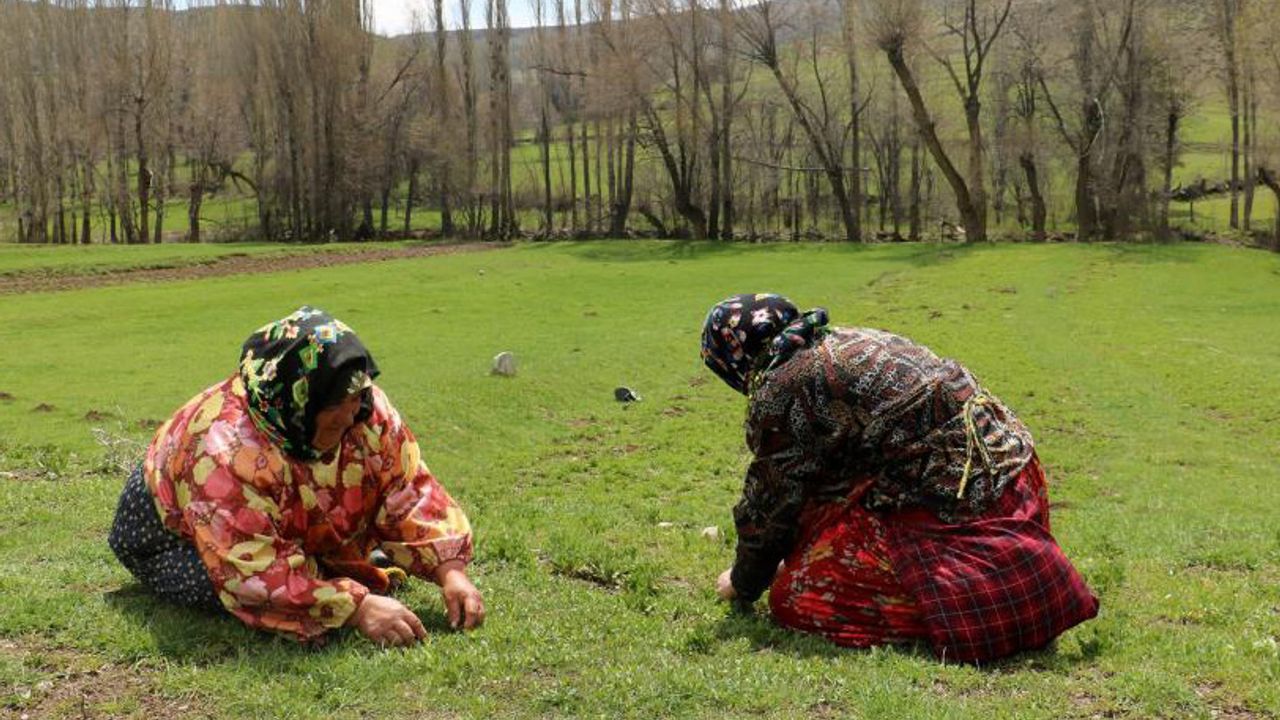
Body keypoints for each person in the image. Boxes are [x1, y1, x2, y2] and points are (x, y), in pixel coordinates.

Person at [701, 293, 1097, 663]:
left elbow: (770, 504)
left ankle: (969, 609)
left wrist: (742, 582)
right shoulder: (843, 338)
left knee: (796, 594)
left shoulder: (781, 386)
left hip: (957, 506)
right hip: (1016, 478)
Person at [109, 306, 483, 646]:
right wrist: (356, 608)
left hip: (271, 519)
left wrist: (450, 571)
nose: (351, 414)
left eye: (357, 398)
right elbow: (246, 571)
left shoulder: (361, 407)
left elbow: (405, 489)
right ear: (296, 401)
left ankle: (319, 566)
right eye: (335, 405)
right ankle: (319, 577)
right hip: (170, 534)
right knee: (216, 587)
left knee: (326, 557)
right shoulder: (226, 449)